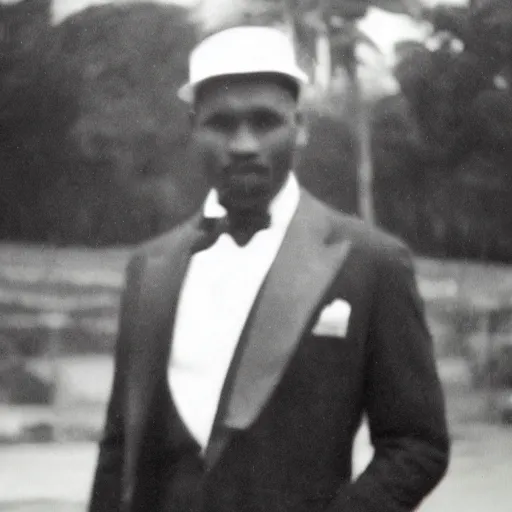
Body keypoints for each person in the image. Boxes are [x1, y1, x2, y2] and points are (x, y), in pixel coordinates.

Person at [89, 26, 449, 512]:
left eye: (265, 121)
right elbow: (120, 447)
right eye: (221, 123)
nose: (243, 144)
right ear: (192, 128)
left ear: (300, 126)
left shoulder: (371, 263)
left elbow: (417, 444)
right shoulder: (149, 268)